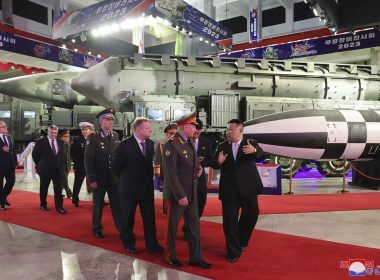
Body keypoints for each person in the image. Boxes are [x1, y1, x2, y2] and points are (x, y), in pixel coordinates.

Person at [161, 112, 212, 269]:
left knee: (194, 226)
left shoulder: (189, 142)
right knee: (172, 227)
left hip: (191, 192)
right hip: (178, 194)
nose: (195, 129)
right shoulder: (171, 144)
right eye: (193, 126)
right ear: (185, 126)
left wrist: (199, 169)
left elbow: (192, 163)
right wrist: (180, 194)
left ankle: (196, 258)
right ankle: (170, 256)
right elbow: (170, 173)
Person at [212, 119, 264, 263]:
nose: (228, 132)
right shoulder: (222, 146)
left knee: (252, 215)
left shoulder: (250, 143)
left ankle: (241, 241)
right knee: (229, 222)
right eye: (227, 129)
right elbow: (212, 162)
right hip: (229, 191)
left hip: (248, 188)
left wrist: (254, 150)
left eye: (231, 130)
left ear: (241, 131)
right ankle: (233, 251)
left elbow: (260, 154)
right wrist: (218, 162)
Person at [113, 117, 163, 254]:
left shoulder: (150, 144)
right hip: (129, 189)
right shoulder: (124, 145)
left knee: (149, 218)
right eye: (148, 128)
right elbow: (116, 167)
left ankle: (152, 245)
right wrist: (127, 180)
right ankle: (129, 243)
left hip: (146, 189)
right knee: (128, 218)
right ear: (139, 129)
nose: (151, 130)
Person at [84, 108, 121, 238]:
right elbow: (88, 160)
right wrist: (92, 179)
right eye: (108, 119)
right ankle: (96, 227)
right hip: (99, 179)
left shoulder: (115, 136)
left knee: (117, 205)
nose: (111, 122)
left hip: (114, 178)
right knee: (98, 204)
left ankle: (121, 228)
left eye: (112, 119)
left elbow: (116, 157)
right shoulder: (93, 138)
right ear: (101, 121)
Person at [32, 125, 67, 214]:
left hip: (58, 170)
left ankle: (59, 207)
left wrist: (61, 165)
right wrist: (40, 165)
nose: (53, 134)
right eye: (52, 132)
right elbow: (35, 155)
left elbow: (63, 155)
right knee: (44, 187)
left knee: (58, 189)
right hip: (45, 169)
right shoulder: (40, 142)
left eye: (55, 133)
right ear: (48, 132)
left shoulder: (60, 142)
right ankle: (43, 204)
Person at [191, 120, 212, 218]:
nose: (195, 135)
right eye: (194, 132)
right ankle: (189, 225)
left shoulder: (206, 142)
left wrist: (201, 164)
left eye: (198, 133)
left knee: (202, 200)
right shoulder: (183, 142)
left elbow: (209, 159)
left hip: (200, 176)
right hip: (186, 177)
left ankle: (195, 221)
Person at [71, 122, 94, 207]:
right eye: (83, 129)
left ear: (90, 130)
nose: (84, 131)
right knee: (77, 183)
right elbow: (72, 152)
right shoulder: (77, 139)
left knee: (95, 184)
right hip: (80, 166)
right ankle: (75, 200)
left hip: (92, 167)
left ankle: (99, 201)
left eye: (86, 129)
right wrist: (77, 161)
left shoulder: (94, 138)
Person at [153, 123, 178, 191]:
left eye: (175, 133)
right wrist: (158, 177)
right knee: (167, 197)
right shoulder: (161, 145)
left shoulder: (180, 145)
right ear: (166, 134)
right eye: (171, 133)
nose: (173, 135)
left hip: (178, 175)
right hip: (165, 175)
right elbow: (157, 160)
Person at [0, 121, 17, 210]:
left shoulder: (9, 137)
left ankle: (2, 198)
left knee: (11, 182)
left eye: (6, 126)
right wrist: (1, 148)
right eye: (3, 126)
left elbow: (13, 150)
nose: (6, 127)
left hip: (10, 165)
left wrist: (16, 162)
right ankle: (2, 201)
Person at [60, 130, 72, 199]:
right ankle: (69, 193)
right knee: (64, 181)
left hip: (67, 166)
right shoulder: (59, 145)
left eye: (68, 136)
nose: (68, 138)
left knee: (63, 180)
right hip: (61, 166)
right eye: (66, 136)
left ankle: (59, 193)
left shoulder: (70, 144)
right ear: (62, 137)